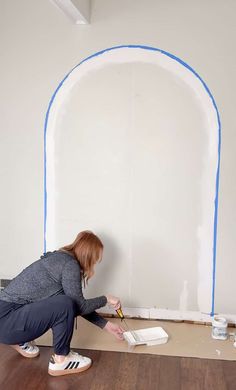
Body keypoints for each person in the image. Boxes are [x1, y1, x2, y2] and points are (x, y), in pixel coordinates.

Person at [0, 230, 124, 376]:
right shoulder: (70, 266)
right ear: (88, 255)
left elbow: (76, 304)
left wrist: (106, 325)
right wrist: (106, 299)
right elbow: (77, 305)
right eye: (96, 259)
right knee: (64, 304)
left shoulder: (58, 258)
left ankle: (19, 339)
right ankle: (62, 359)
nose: (95, 263)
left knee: (65, 303)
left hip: (5, 319)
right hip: (8, 322)